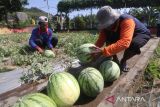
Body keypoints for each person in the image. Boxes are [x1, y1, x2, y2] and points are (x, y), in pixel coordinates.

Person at [90, 6, 151, 72]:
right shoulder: (106, 28)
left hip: (140, 34)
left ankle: (124, 60)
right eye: (105, 25)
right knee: (109, 38)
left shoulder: (126, 20)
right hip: (124, 34)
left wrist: (102, 51)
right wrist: (93, 50)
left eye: (107, 24)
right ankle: (115, 59)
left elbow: (125, 42)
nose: (106, 27)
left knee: (134, 44)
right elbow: (100, 41)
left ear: (114, 19)